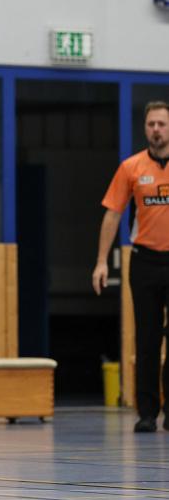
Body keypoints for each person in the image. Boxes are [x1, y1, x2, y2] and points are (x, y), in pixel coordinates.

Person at [93, 101, 169, 433]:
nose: (157, 129)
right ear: (145, 128)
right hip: (145, 261)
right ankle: (148, 412)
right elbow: (112, 214)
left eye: (162, 124)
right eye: (151, 124)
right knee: (147, 339)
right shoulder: (131, 167)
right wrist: (100, 262)